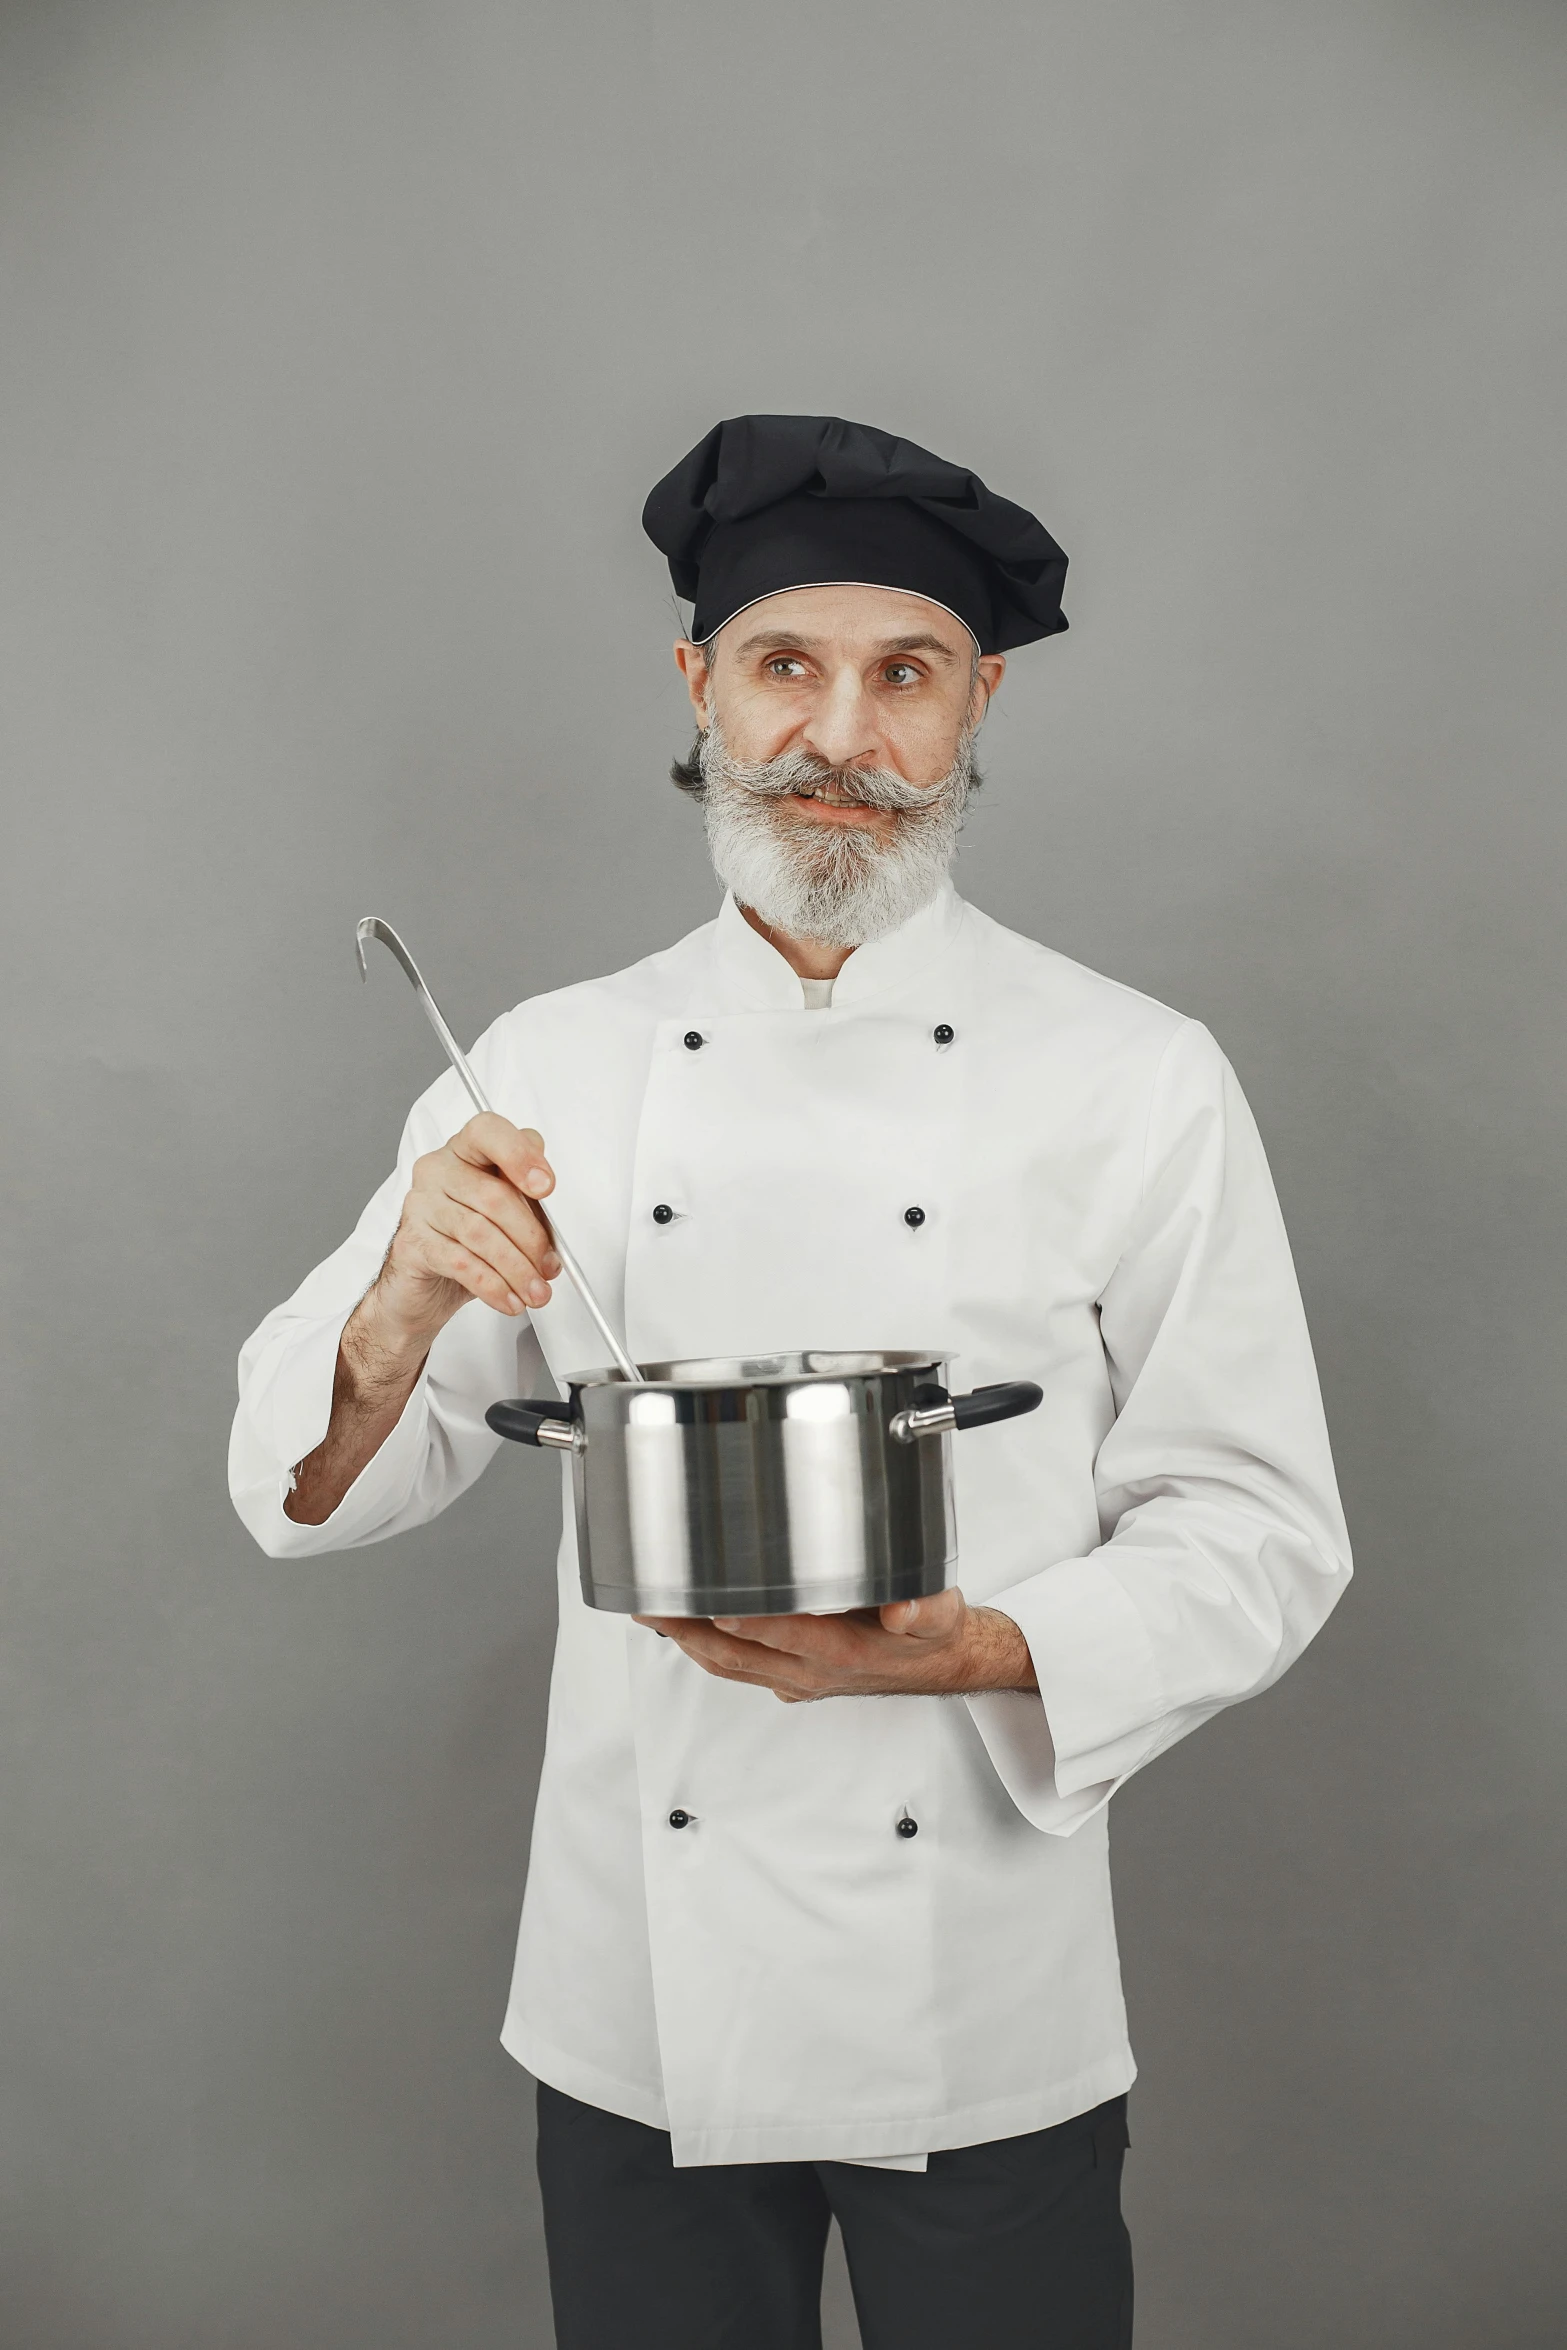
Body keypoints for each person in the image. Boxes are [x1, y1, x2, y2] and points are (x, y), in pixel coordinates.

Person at [230, 414, 1351, 2349]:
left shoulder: (1133, 1073)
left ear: (977, 702)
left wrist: (974, 1643)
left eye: (904, 674)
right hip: (631, 2002)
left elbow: (1257, 1529)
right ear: (701, 687)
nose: (841, 736)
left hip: (978, 1993)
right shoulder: (544, 1064)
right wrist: (400, 1300)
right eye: (785, 666)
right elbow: (304, 1487)